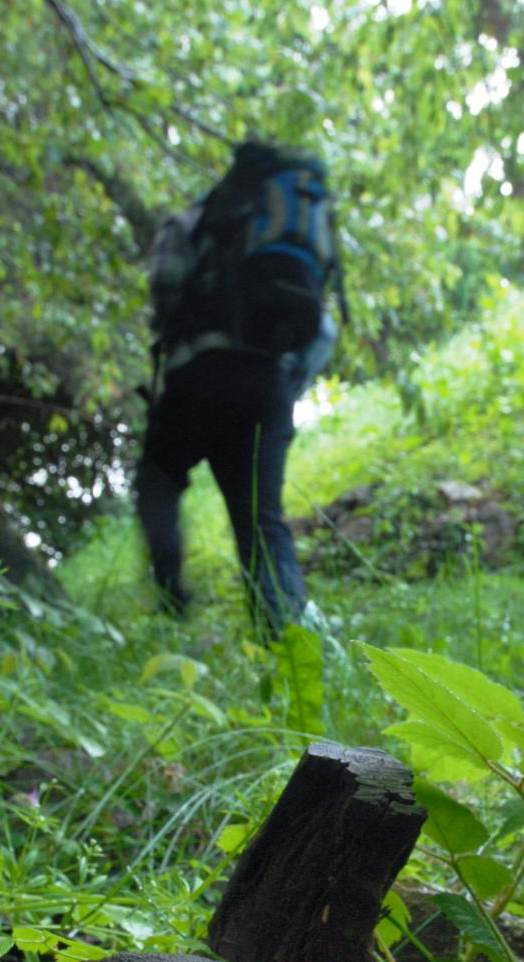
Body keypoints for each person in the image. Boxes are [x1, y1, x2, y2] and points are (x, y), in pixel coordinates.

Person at [134, 142, 339, 637]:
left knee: (156, 481)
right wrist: (284, 384)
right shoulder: (295, 233)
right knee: (263, 525)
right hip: (266, 386)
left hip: (196, 378)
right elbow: (324, 330)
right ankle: (291, 650)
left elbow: (164, 292)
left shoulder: (191, 223)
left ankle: (171, 605)